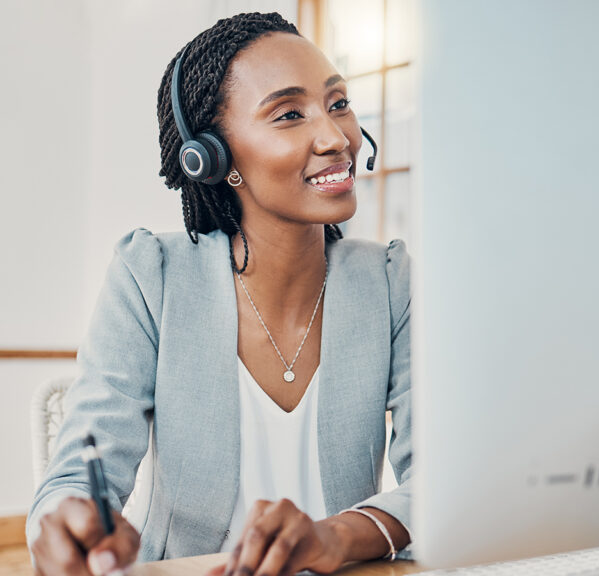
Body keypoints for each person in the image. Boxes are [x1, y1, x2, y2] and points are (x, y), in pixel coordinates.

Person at [26, 12, 412, 576]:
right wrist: (67, 524)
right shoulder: (150, 276)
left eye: (338, 104)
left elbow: (443, 478)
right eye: (288, 114)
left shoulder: (386, 281)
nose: (336, 138)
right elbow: (76, 478)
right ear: (212, 156)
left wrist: (336, 537)